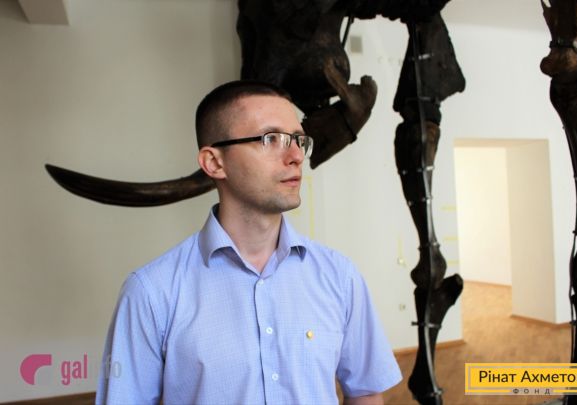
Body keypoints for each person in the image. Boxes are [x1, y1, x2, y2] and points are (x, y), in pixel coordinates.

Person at [95, 80, 402, 405]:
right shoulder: (151, 292)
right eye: (271, 139)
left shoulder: (339, 276)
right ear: (214, 162)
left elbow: (366, 392)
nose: (296, 156)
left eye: (298, 139)